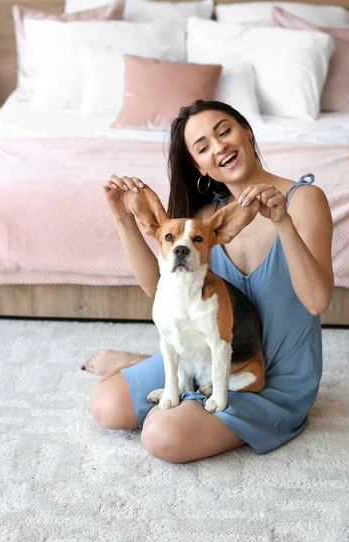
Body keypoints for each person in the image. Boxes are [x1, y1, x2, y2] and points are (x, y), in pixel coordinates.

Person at [85, 100, 334, 463]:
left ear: (246, 131)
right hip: (203, 357)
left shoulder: (303, 200)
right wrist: (124, 220)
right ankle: (161, 364)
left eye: (224, 131)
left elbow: (317, 301)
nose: (219, 147)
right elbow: (161, 290)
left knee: (161, 435)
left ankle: (158, 370)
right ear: (197, 164)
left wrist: (283, 222)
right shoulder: (202, 221)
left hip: (271, 381)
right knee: (104, 406)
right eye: (202, 147)